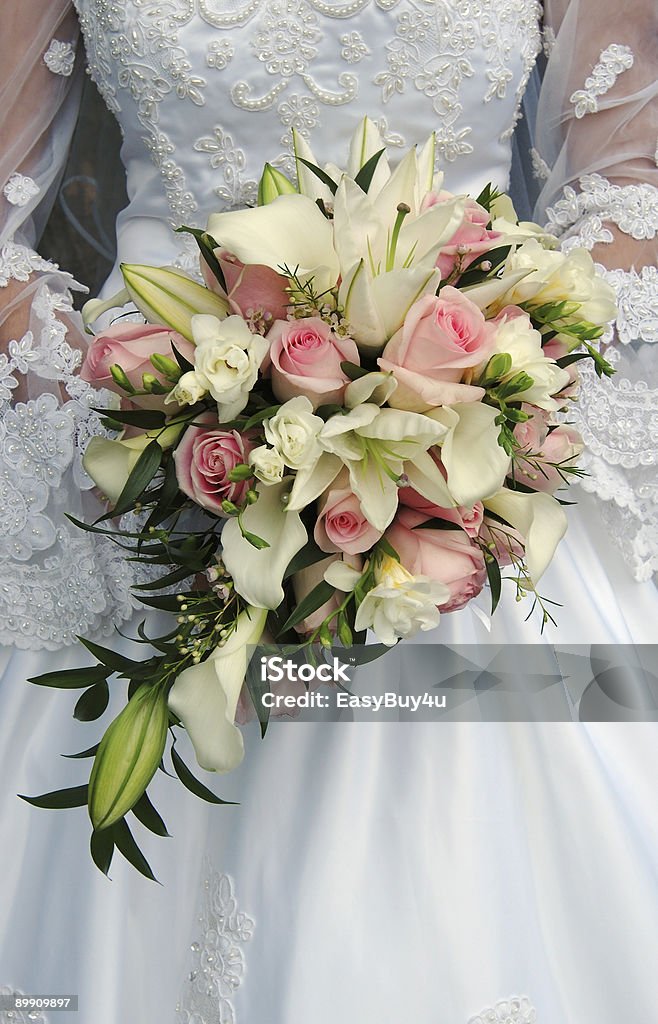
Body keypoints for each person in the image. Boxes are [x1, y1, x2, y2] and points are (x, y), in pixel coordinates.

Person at [0, 1, 656, 1022]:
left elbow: (630, 183)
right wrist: (141, 416)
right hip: (152, 480)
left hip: (473, 478)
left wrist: (486, 386)